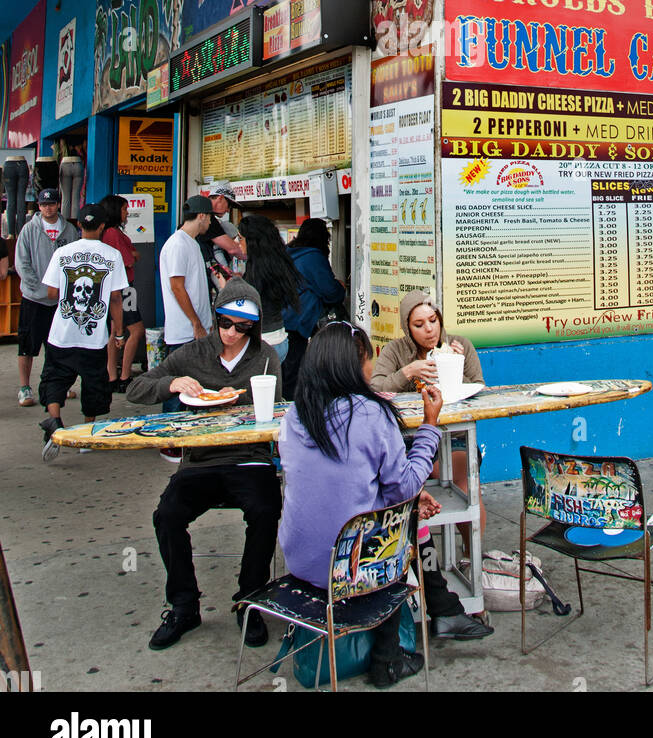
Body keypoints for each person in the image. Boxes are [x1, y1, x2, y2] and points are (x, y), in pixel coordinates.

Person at [278, 319, 442, 688]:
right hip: (354, 571)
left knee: (392, 507)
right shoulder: (372, 413)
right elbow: (404, 486)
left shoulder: (293, 416)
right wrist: (430, 426)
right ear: (357, 364)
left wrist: (410, 494)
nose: (373, 366)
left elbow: (337, 483)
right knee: (402, 526)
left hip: (303, 562)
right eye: (370, 357)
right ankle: (387, 658)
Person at [126, 278, 283, 652]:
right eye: (225, 323)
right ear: (216, 318)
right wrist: (173, 384)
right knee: (167, 515)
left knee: (266, 509)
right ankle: (184, 605)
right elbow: (136, 389)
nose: (231, 333)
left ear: (254, 327)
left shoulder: (266, 358)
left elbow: (276, 412)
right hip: (200, 459)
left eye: (242, 327)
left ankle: (250, 599)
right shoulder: (193, 354)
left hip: (248, 458)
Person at [370, 290, 488, 554]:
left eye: (433, 321)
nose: (429, 330)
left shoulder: (460, 345)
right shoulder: (396, 351)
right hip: (412, 439)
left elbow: (479, 389)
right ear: (407, 328)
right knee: (415, 480)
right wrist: (407, 372)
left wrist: (455, 368)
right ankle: (412, 558)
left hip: (455, 434)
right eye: (419, 325)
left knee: (466, 485)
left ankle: (472, 555)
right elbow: (375, 388)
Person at [38, 202, 127, 461]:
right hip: (93, 337)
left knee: (54, 379)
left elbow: (52, 293)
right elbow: (116, 299)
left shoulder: (63, 253)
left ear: (79, 225)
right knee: (94, 384)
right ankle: (87, 432)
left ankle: (54, 421)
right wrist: (119, 333)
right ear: (101, 226)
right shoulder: (112, 256)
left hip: (61, 334)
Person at [14, 188, 79, 408]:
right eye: (43, 205)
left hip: (60, 300)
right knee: (27, 345)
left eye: (51, 204)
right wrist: (41, 289)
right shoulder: (28, 230)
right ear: (39, 206)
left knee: (59, 345)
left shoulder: (69, 230)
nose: (47, 208)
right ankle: (25, 387)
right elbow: (22, 264)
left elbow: (74, 262)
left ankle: (59, 384)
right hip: (33, 299)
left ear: (58, 205)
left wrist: (62, 290)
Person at [282, 218, 346, 399]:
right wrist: (341, 286)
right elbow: (331, 292)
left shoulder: (288, 253)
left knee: (288, 370)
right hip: (300, 321)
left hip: (284, 320)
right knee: (295, 371)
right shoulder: (313, 257)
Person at [238, 215, 301, 381]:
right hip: (279, 339)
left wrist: (228, 289)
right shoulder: (277, 265)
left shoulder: (255, 272)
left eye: (241, 238)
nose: (238, 243)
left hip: (260, 343)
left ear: (252, 241)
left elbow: (246, 309)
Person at [100, 194, 144, 392]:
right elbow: (129, 260)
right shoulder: (114, 234)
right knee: (136, 330)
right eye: (125, 209)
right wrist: (134, 254)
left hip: (116, 288)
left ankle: (111, 375)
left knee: (114, 330)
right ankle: (124, 375)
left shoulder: (109, 232)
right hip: (123, 288)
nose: (127, 213)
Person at [159, 197, 213, 350]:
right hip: (185, 334)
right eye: (210, 218)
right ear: (201, 216)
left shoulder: (192, 242)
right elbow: (177, 287)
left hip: (197, 332)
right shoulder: (178, 244)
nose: (210, 223)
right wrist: (196, 322)